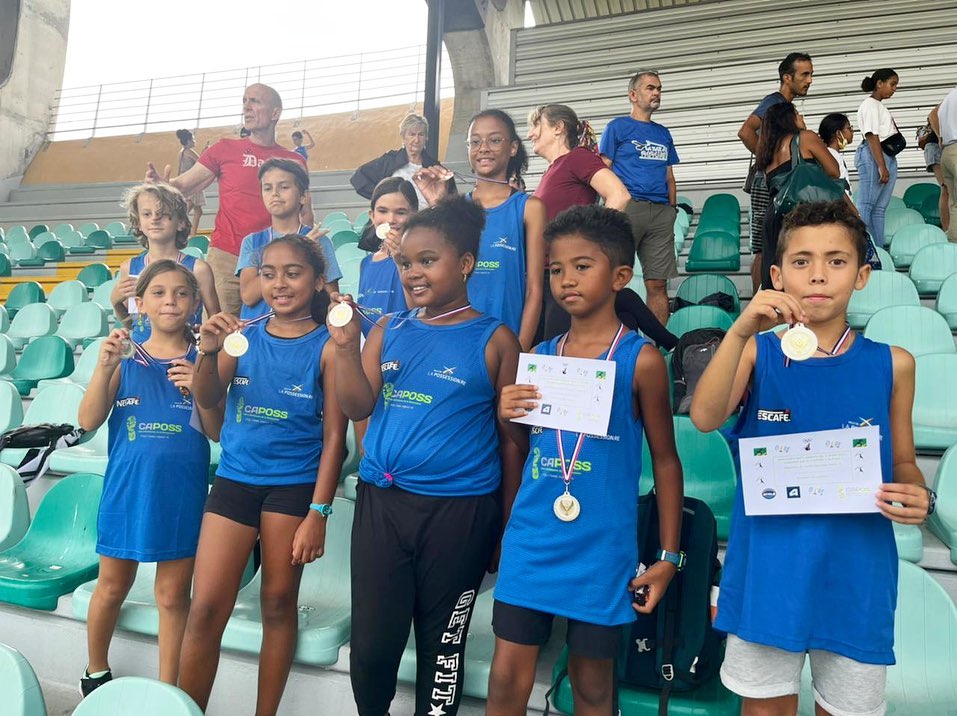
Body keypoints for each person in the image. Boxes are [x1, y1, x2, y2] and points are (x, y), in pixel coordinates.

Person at [690, 200, 933, 716]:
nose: (818, 274)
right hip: (768, 571)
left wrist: (918, 494)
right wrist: (738, 331)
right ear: (776, 275)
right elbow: (705, 417)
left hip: (855, 574)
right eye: (801, 261)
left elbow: (906, 461)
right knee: (763, 710)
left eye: (836, 260)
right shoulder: (757, 353)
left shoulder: (894, 365)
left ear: (863, 275)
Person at [328, 196, 522, 716]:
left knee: (442, 654)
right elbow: (357, 406)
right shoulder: (387, 329)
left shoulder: (496, 339)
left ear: (464, 265)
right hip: (383, 506)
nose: (413, 272)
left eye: (428, 261)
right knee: (371, 648)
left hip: (460, 514)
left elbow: (510, 443)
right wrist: (346, 349)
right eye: (405, 262)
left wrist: (504, 527)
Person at [487, 205, 684, 716]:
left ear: (621, 275)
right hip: (532, 538)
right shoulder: (542, 356)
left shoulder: (640, 360)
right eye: (555, 269)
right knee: (507, 680)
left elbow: (665, 461)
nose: (566, 279)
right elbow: (530, 448)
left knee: (593, 687)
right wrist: (507, 414)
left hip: (601, 547)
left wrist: (667, 558)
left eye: (582, 266)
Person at [179, 235, 347, 713]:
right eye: (269, 273)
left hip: (293, 487)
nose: (279, 283)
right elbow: (208, 399)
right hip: (234, 481)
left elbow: (335, 437)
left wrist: (319, 511)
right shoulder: (241, 335)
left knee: (276, 603)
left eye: (293, 273)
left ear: (317, 280)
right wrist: (207, 353)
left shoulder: (329, 346)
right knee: (206, 608)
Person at [77, 261, 224, 697]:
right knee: (111, 585)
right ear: (140, 303)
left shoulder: (205, 360)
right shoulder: (124, 354)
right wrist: (103, 368)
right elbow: (85, 420)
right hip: (126, 489)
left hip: (181, 493)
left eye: (181, 293)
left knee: (173, 595)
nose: (170, 302)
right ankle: (95, 669)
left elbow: (218, 432)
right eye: (158, 293)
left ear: (195, 303)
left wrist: (200, 388)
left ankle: (167, 689)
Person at [146, 84, 313, 316]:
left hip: (278, 260)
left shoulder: (293, 160)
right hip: (227, 257)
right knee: (221, 332)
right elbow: (184, 185)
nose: (247, 107)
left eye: (255, 101)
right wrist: (162, 187)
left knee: (276, 329)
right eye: (245, 101)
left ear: (275, 113)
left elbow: (306, 214)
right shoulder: (224, 149)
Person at [527, 103, 677, 348]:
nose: (530, 134)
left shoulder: (577, 158)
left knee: (554, 352)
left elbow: (619, 194)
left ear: (558, 128)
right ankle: (675, 346)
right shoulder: (551, 171)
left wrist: (586, 245)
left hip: (563, 274)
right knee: (625, 306)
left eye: (536, 125)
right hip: (547, 275)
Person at [600, 70, 680, 325]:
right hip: (628, 209)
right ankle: (607, 338)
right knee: (611, 277)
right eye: (650, 88)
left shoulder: (663, 133)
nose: (656, 93)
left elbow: (669, 176)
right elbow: (603, 169)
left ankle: (657, 347)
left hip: (660, 213)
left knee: (657, 283)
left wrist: (672, 209)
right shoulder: (617, 127)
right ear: (633, 95)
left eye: (659, 88)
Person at [738, 52, 814, 293]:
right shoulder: (774, 102)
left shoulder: (785, 106)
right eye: (805, 74)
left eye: (811, 74)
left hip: (778, 185)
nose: (810, 80)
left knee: (775, 245)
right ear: (787, 77)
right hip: (766, 184)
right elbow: (746, 131)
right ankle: (759, 307)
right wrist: (769, 162)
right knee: (763, 248)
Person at [235, 158, 342, 320]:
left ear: (303, 196)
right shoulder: (252, 241)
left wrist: (308, 250)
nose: (275, 193)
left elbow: (331, 297)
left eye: (284, 187)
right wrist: (299, 245)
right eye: (267, 188)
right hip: (256, 331)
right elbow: (248, 296)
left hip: (303, 331)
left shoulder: (320, 241)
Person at [111, 183, 220, 342]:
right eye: (147, 214)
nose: (155, 219)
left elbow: (215, 320)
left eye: (163, 214)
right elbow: (135, 323)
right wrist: (115, 301)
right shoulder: (128, 267)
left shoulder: (198, 269)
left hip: (186, 354)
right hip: (143, 355)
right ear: (139, 223)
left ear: (181, 222)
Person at [754, 103, 840, 289]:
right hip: (800, 214)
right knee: (805, 276)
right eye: (798, 113)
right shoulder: (806, 138)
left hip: (775, 216)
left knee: (779, 279)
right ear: (789, 119)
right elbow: (834, 171)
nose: (801, 116)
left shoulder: (766, 153)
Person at [350, 113, 455, 208]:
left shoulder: (435, 167)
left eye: (421, 134)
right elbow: (358, 178)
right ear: (404, 137)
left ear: (426, 137)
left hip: (425, 221)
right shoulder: (390, 160)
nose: (416, 140)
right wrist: (382, 198)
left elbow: (452, 198)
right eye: (412, 134)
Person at [355, 177, 418, 333]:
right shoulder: (366, 263)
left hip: (405, 348)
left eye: (401, 212)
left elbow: (419, 312)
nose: (390, 220)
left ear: (414, 215)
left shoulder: (419, 257)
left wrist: (400, 260)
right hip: (373, 352)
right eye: (383, 211)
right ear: (372, 215)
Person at [856, 68, 901, 247]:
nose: (894, 89)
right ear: (879, 83)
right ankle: (862, 248)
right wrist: (881, 166)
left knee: (879, 209)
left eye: (896, 85)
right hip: (874, 154)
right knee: (866, 204)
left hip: (886, 155)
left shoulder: (880, 106)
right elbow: (871, 135)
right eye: (892, 84)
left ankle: (878, 251)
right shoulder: (870, 104)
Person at [929, 88, 957, 238]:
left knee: (954, 204)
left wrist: (940, 137)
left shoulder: (950, 96)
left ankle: (954, 246)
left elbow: (932, 114)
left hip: (948, 152)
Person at [175, 129, 206, 236]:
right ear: (188, 141)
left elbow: (179, 170)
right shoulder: (189, 151)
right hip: (192, 182)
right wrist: (205, 152)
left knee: (198, 211)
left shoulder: (181, 152)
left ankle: (192, 234)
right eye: (193, 139)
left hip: (184, 181)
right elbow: (202, 163)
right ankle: (180, 230)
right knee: (187, 209)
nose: (194, 141)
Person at [818, 113, 854, 197]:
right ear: (838, 133)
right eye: (849, 128)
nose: (852, 131)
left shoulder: (831, 154)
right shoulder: (831, 155)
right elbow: (838, 187)